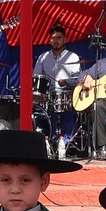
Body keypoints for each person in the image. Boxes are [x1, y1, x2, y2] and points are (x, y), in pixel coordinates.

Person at [32, 23, 83, 156]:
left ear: (65, 39)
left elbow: (79, 79)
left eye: (59, 37)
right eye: (53, 38)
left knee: (70, 114)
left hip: (67, 95)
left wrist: (66, 82)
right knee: (43, 114)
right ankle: (49, 141)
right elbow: (36, 77)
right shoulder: (43, 57)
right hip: (48, 96)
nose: (56, 41)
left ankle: (66, 142)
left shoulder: (72, 57)